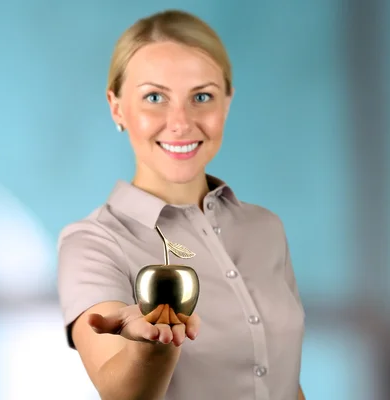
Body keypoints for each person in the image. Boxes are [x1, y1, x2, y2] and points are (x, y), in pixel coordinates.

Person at [57, 9, 306, 400]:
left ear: (227, 102)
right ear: (117, 107)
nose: (180, 122)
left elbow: (285, 383)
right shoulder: (92, 244)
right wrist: (153, 347)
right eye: (154, 97)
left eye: (202, 97)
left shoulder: (265, 229)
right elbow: (119, 390)